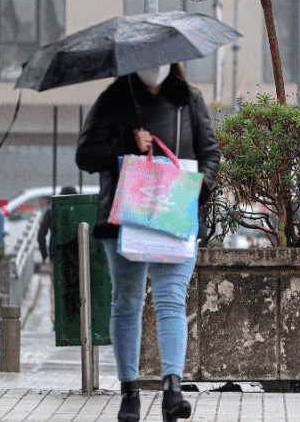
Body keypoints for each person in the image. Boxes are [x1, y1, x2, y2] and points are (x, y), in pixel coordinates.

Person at [76, 63, 219, 422]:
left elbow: (210, 154)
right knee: (127, 302)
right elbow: (86, 154)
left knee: (172, 300)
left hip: (176, 214)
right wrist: (126, 142)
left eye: (162, 61)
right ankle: (130, 393)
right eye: (147, 63)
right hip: (125, 218)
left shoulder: (190, 101)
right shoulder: (113, 99)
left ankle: (173, 391)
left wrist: (196, 189)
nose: (154, 69)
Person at [37, 185, 78, 263]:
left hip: (56, 252)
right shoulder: (79, 212)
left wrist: (44, 256)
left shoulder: (52, 212)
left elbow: (41, 235)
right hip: (76, 254)